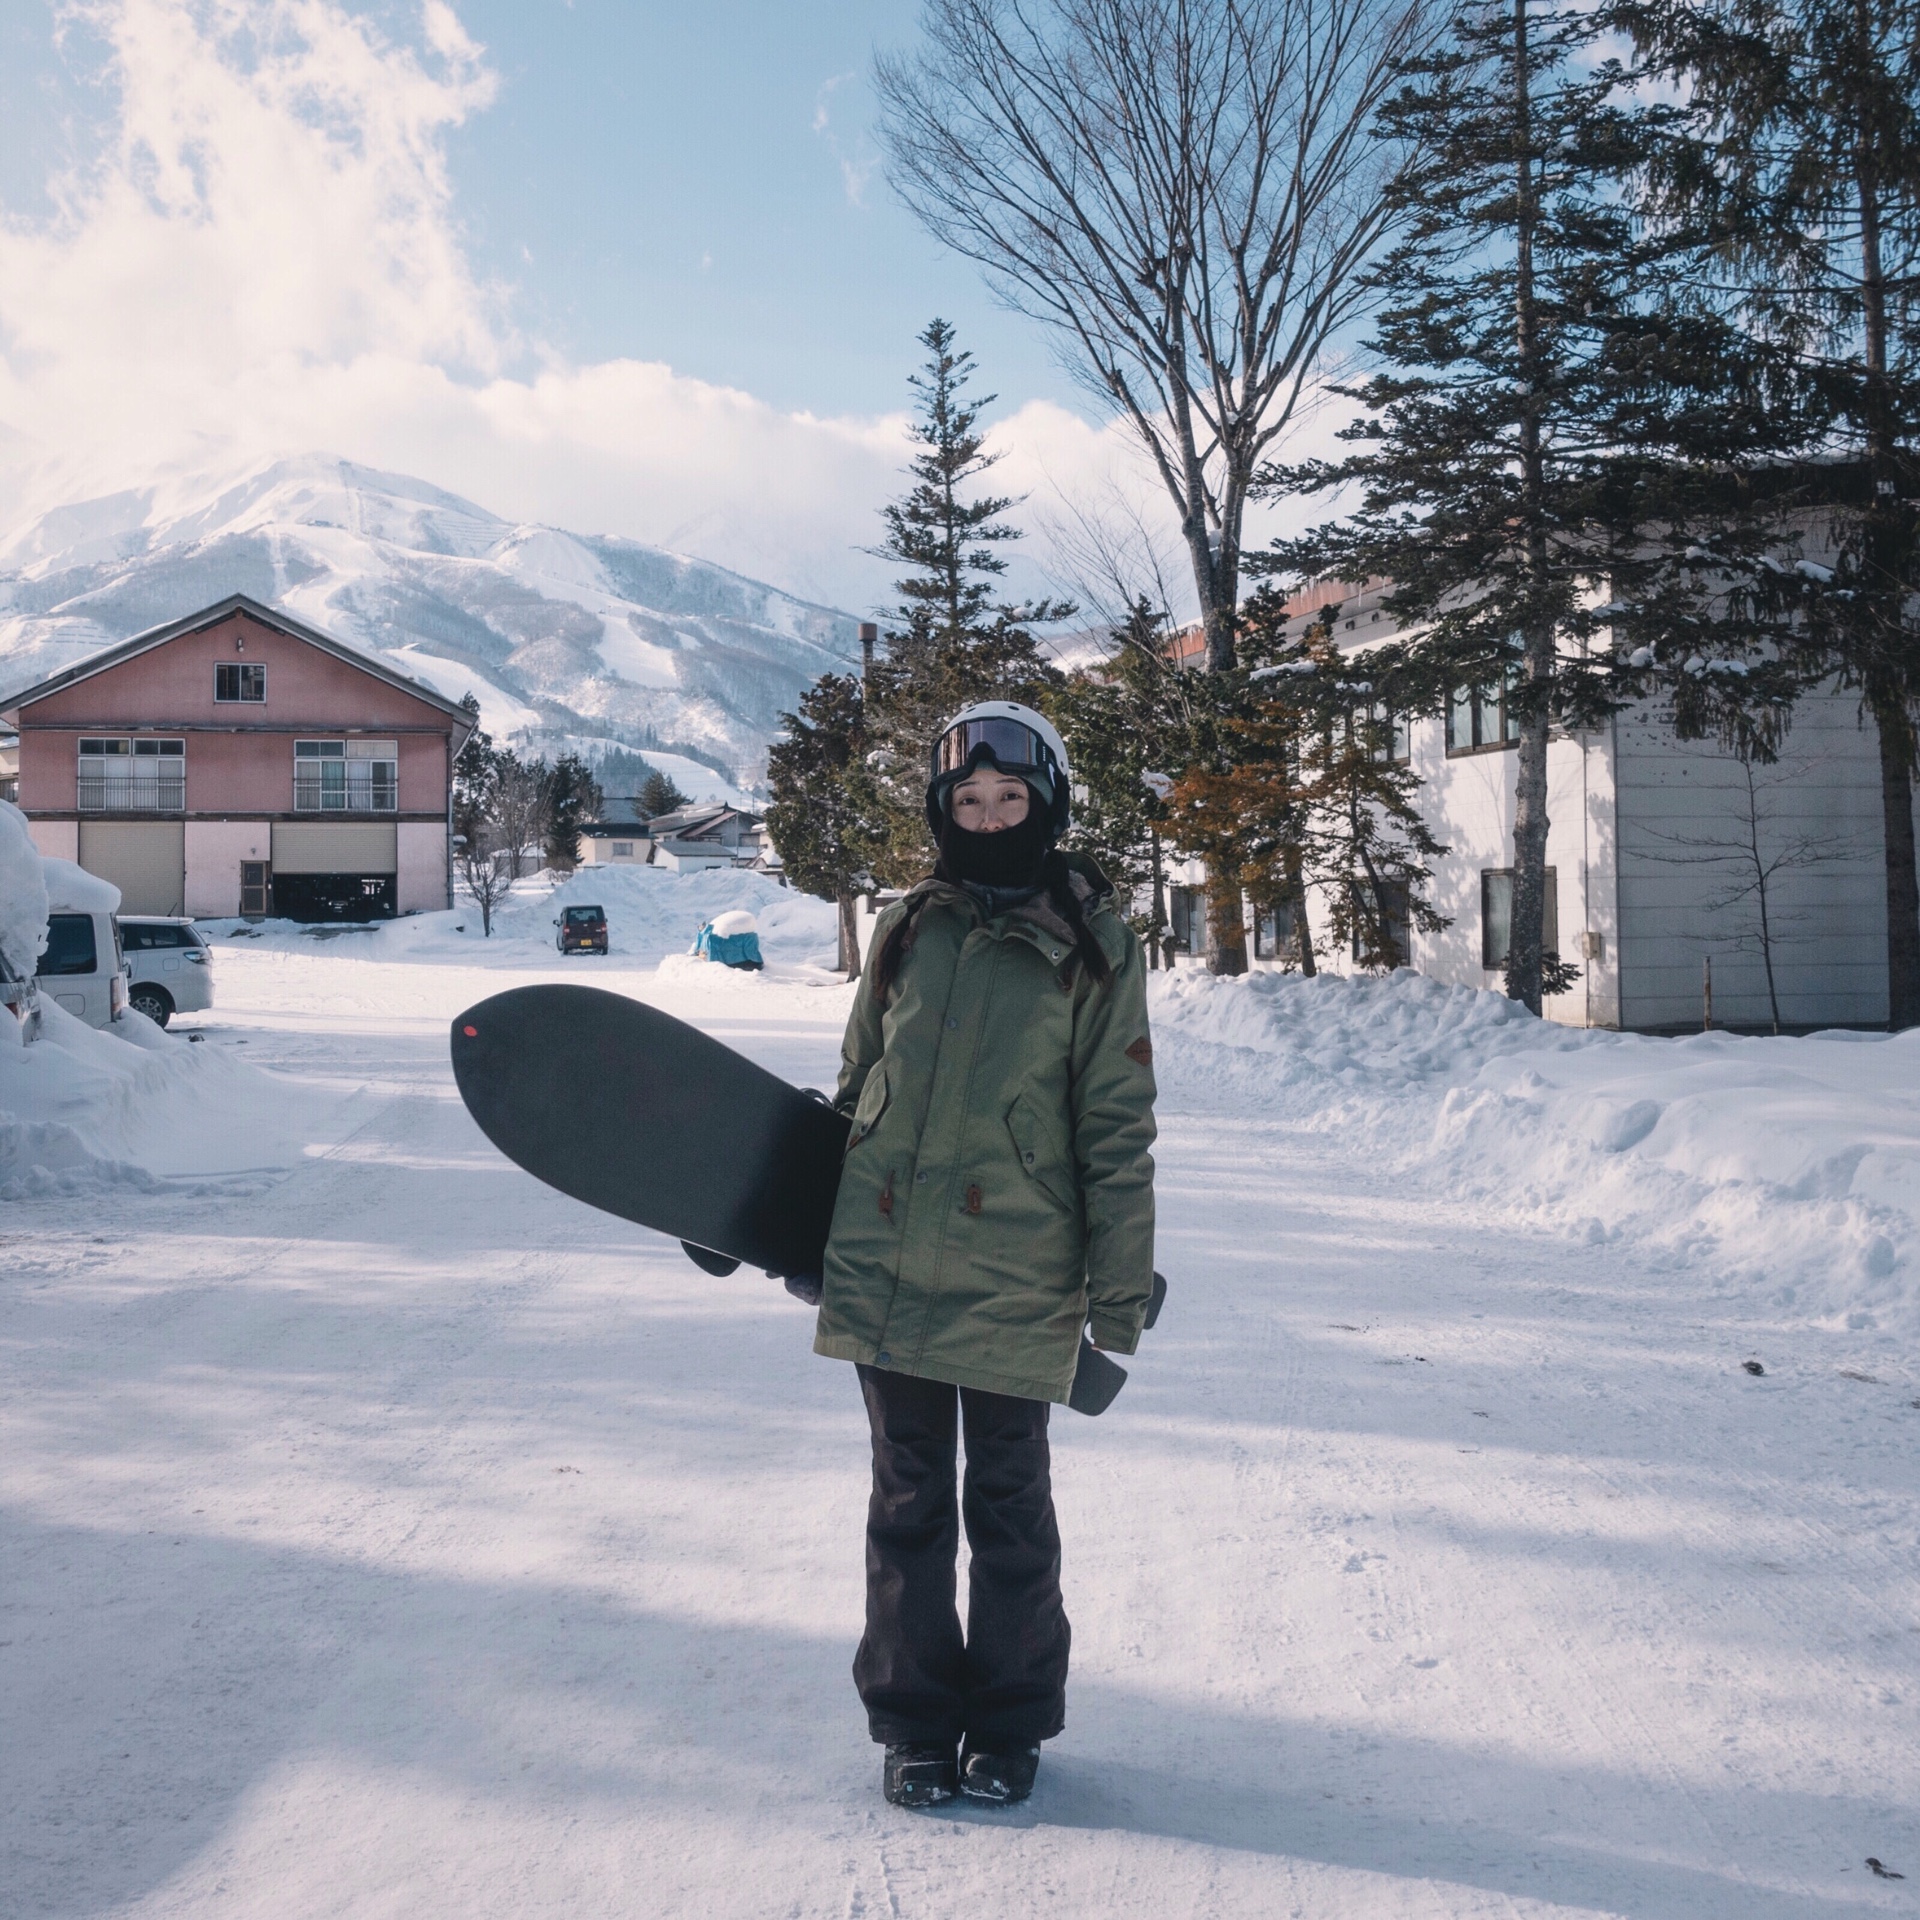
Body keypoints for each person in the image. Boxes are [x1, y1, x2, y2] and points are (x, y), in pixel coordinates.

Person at [808, 701, 1158, 1809]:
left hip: (1020, 1269)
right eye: (970, 800)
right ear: (942, 807)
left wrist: (1118, 1299)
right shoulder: (911, 925)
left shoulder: (1096, 944)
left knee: (1007, 1502)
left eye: (1011, 799)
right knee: (907, 1500)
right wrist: (764, 1207)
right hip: (895, 1261)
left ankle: (1008, 1724)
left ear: (1046, 804)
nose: (992, 817)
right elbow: (857, 1085)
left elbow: (1115, 1122)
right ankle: (911, 1725)